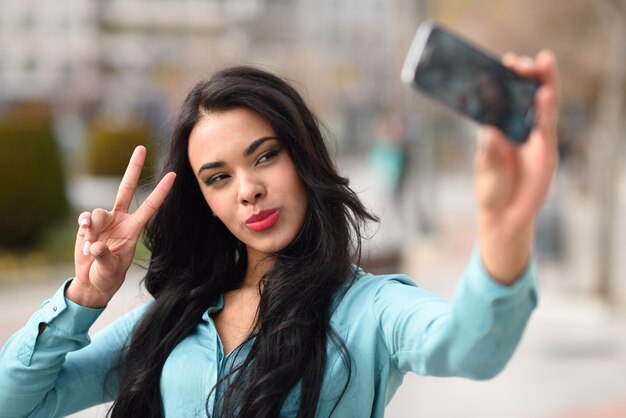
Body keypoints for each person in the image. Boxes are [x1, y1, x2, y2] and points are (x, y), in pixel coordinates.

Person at [0, 49, 559, 418]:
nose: (248, 190)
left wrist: (506, 228)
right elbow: (17, 401)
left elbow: (471, 348)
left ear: (303, 157)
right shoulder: (169, 321)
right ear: (206, 204)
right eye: (218, 178)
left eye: (264, 156)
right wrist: (83, 300)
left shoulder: (370, 309)